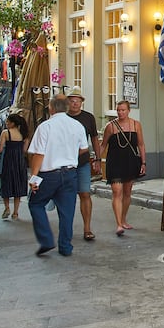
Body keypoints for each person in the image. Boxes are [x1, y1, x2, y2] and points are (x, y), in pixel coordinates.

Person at [27, 96, 89, 256]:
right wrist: (69, 153)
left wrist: (33, 177)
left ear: (51, 108)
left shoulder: (45, 126)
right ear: (67, 108)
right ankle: (65, 246)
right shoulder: (77, 125)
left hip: (49, 173)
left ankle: (46, 239)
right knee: (67, 211)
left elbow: (38, 154)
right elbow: (84, 148)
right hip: (70, 172)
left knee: (35, 203)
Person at [101, 100, 146, 237]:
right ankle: (119, 224)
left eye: (123, 110)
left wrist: (143, 162)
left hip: (130, 161)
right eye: (118, 110)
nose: (120, 113)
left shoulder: (136, 124)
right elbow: (103, 145)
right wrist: (97, 159)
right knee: (117, 191)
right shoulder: (110, 126)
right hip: (114, 162)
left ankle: (123, 218)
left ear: (128, 111)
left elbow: (141, 144)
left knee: (127, 192)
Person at [66, 87, 103, 241]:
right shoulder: (63, 118)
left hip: (83, 162)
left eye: (78, 101)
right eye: (72, 101)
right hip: (66, 163)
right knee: (66, 196)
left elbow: (94, 138)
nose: (75, 104)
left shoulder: (88, 118)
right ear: (68, 102)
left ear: (81, 103)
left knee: (85, 193)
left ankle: (87, 228)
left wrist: (98, 159)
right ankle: (66, 229)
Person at [0, 114, 30, 221]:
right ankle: (16, 212)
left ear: (12, 123)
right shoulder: (24, 134)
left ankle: (7, 207)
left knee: (6, 183)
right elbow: (25, 150)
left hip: (8, 161)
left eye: (7, 122)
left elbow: (1, 149)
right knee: (18, 184)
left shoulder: (6, 133)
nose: (6, 124)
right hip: (20, 161)